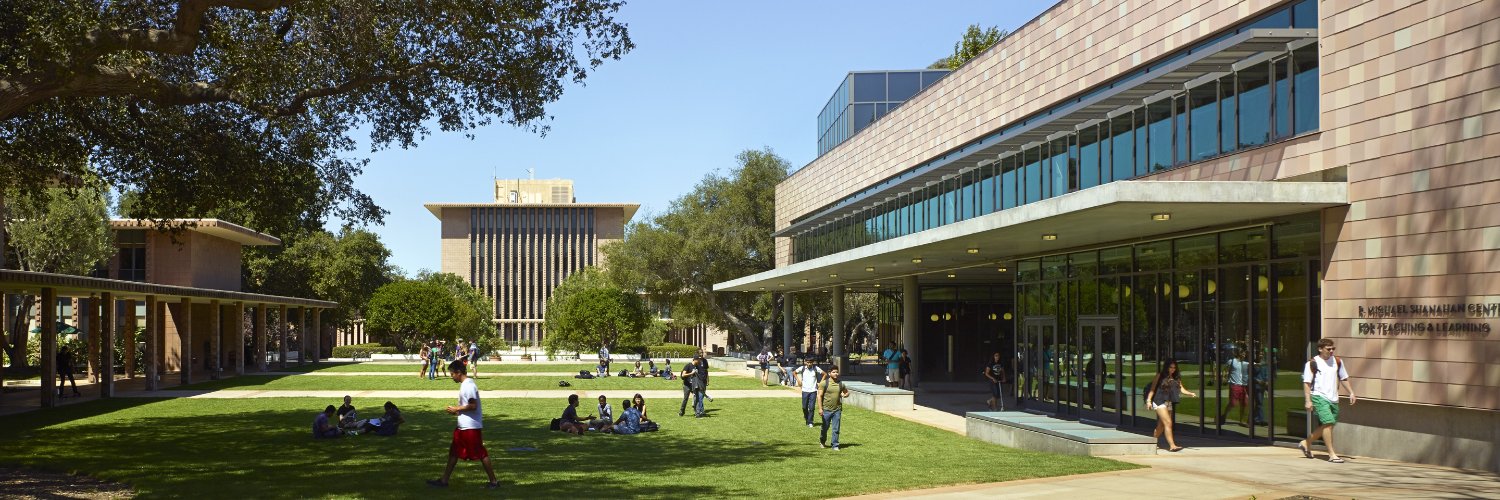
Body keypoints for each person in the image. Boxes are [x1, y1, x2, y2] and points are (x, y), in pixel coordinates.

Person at [428, 360, 499, 489]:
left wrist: (457, 409)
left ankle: (494, 481)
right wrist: (456, 412)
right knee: (454, 452)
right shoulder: (465, 384)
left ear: (458, 372)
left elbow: (473, 405)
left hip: (471, 427)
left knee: (481, 453)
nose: (451, 376)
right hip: (463, 427)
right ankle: (444, 481)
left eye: (452, 374)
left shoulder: (469, 386)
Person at [1299, 338, 1355, 463]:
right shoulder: (1312, 363)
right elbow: (1307, 383)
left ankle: (1306, 443)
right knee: (1329, 423)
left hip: (1334, 398)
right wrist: (1308, 400)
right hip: (1319, 396)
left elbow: (1343, 378)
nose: (1331, 351)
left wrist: (1351, 392)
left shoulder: (1337, 361)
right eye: (1328, 349)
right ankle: (1332, 454)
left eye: (1333, 349)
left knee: (1328, 425)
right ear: (1320, 349)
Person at [1145, 359, 1197, 452]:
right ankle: (1172, 445)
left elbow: (1182, 389)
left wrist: (1190, 393)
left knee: (1161, 425)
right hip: (1159, 401)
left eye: (1174, 367)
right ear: (1167, 367)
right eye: (1170, 367)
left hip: (1168, 403)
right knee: (1168, 423)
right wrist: (1148, 401)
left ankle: (1151, 442)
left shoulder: (1176, 378)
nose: (1172, 369)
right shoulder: (1160, 376)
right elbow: (1152, 389)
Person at [817, 366, 851, 450]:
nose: (836, 374)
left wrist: (845, 395)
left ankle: (835, 445)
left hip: (837, 410)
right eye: (834, 372)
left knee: (836, 429)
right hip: (826, 410)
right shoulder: (824, 383)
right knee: (825, 428)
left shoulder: (841, 384)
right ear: (829, 373)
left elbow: (847, 393)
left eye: (837, 372)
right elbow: (819, 396)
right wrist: (820, 408)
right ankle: (822, 441)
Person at [1218, 346, 1251, 426]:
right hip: (1234, 385)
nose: (1244, 354)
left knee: (1244, 404)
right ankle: (1224, 416)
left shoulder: (1245, 363)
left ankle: (1242, 421)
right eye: (1243, 353)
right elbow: (1225, 370)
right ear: (1239, 353)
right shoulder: (1232, 361)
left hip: (1243, 386)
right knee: (1233, 403)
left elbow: (1256, 365)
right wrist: (1223, 378)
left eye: (1244, 353)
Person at [794, 358, 825, 427]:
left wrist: (820, 383)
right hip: (804, 390)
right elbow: (794, 372)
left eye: (810, 362)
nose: (809, 364)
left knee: (811, 407)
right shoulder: (802, 368)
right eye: (807, 362)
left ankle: (810, 421)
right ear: (805, 362)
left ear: (813, 362)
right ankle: (806, 417)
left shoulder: (816, 368)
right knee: (804, 407)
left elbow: (824, 374)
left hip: (813, 391)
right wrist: (798, 380)